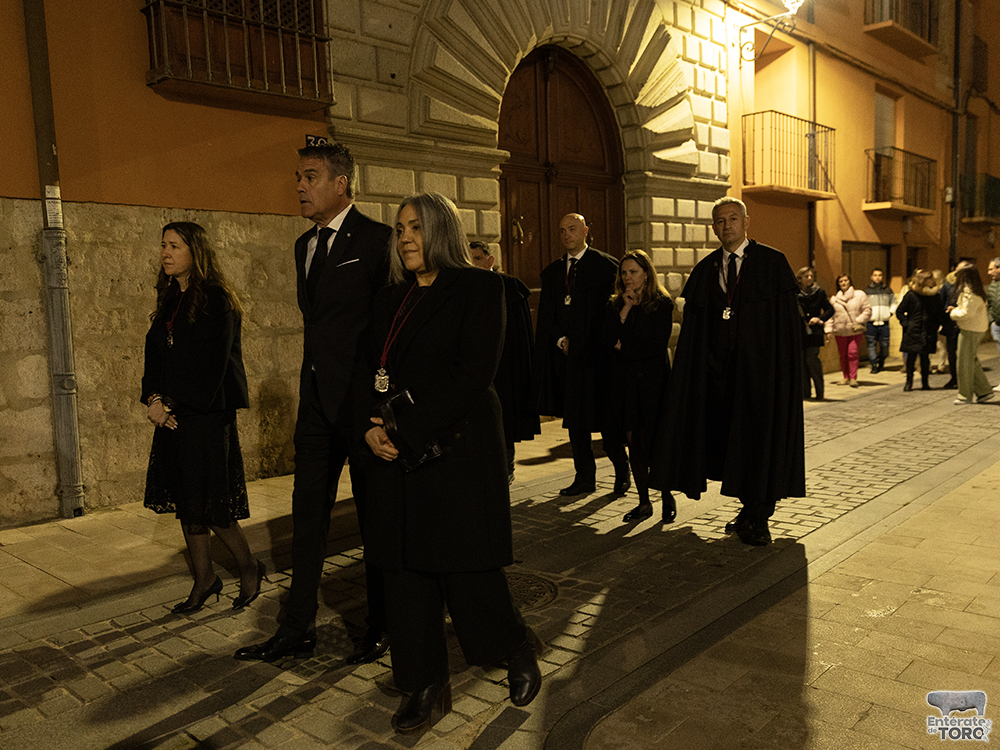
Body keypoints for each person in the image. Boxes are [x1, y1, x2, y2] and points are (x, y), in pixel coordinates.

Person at [362, 193, 540, 734]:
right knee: (405, 572)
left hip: (459, 450)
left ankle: (514, 647)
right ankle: (422, 682)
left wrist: (402, 428)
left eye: (416, 227)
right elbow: (371, 373)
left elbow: (473, 375)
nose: (405, 238)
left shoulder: (480, 288)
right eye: (400, 229)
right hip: (398, 455)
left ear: (442, 230)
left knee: (468, 570)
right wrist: (369, 428)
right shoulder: (391, 298)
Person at [235, 143, 392, 664]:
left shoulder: (378, 241)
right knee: (307, 519)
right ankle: (296, 627)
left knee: (374, 521)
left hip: (363, 408)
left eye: (310, 176)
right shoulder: (303, 244)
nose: (300, 186)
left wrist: (379, 406)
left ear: (341, 183)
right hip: (316, 408)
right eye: (298, 177)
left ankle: (381, 624)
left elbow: (386, 332)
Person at [649, 197, 805, 546]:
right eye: (720, 221)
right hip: (719, 378)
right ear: (713, 227)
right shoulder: (706, 270)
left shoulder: (772, 263)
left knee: (760, 442)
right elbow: (694, 332)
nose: (727, 226)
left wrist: (782, 375)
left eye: (733, 219)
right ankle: (747, 510)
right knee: (732, 445)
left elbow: (786, 328)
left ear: (746, 222)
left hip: (761, 377)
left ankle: (759, 517)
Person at [142, 222, 263, 613]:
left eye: (174, 246)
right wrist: (154, 399)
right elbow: (155, 356)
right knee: (186, 500)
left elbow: (211, 366)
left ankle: (248, 567)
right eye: (163, 245)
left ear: (196, 252)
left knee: (211, 503)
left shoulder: (216, 298)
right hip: (172, 416)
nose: (166, 253)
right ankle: (205, 579)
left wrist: (170, 404)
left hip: (206, 415)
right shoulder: (169, 299)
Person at [533, 213, 629, 496]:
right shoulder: (554, 273)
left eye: (572, 229)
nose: (567, 235)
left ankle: (622, 471)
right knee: (576, 423)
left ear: (586, 231)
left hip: (599, 361)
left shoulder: (606, 266)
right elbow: (547, 316)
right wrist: (561, 340)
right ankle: (584, 478)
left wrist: (591, 342)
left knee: (607, 423)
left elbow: (613, 312)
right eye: (562, 230)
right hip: (569, 362)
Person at [600, 250, 676, 523]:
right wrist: (625, 309)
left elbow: (656, 345)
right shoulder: (615, 304)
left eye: (633, 272)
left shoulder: (662, 303)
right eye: (624, 272)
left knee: (655, 440)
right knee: (634, 441)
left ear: (646, 274)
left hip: (654, 382)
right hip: (626, 383)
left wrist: (624, 347)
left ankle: (666, 495)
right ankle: (644, 502)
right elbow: (607, 340)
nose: (628, 277)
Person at [469, 241, 540, 481]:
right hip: (475, 368)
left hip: (506, 367)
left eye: (477, 258)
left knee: (506, 418)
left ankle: (506, 468)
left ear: (490, 261)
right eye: (469, 259)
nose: (473, 264)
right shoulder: (464, 288)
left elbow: (519, 336)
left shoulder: (509, 288)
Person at [948, 266, 995, 405]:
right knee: (971, 361)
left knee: (964, 364)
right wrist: (957, 309)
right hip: (974, 328)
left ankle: (965, 395)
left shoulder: (970, 293)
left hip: (970, 329)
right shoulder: (975, 291)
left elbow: (966, 313)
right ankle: (984, 391)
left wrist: (953, 313)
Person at [895, 269, 944, 392]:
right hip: (913, 331)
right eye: (930, 279)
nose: (933, 281)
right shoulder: (911, 295)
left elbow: (939, 313)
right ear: (923, 281)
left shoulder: (935, 296)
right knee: (911, 358)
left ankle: (925, 383)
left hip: (928, 331)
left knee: (925, 358)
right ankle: (909, 382)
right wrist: (906, 324)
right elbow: (900, 311)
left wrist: (936, 325)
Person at [824, 274, 871, 388]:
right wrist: (828, 330)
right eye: (841, 281)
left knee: (852, 353)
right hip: (840, 331)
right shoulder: (834, 299)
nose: (843, 283)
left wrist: (859, 320)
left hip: (855, 330)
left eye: (845, 280)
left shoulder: (859, 295)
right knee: (843, 355)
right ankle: (846, 377)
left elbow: (867, 310)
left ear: (850, 281)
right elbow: (830, 316)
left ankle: (853, 378)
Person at [796, 267, 834, 400]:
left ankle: (820, 392)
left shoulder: (819, 293)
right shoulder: (794, 294)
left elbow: (830, 310)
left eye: (811, 276)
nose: (809, 279)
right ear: (799, 278)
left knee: (811, 360)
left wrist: (819, 319)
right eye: (806, 276)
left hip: (814, 333)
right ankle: (805, 392)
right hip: (799, 333)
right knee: (801, 363)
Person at [938, 259, 975, 388]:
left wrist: (958, 309)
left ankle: (966, 379)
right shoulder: (948, 285)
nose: (958, 272)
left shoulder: (972, 285)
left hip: (967, 324)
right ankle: (954, 378)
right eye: (958, 269)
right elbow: (941, 302)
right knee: (951, 353)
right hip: (951, 324)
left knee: (966, 354)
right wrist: (946, 311)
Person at [863, 268, 896, 373]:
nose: (878, 277)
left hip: (884, 323)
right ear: (871, 277)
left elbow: (894, 302)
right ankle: (874, 364)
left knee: (885, 345)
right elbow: (862, 305)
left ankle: (881, 361)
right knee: (871, 345)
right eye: (875, 275)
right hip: (871, 323)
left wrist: (890, 313)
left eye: (880, 275)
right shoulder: (866, 292)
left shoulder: (888, 290)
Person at [987, 257, 1000, 371]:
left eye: (991, 269)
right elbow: (989, 304)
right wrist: (992, 321)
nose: (989, 272)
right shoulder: (992, 285)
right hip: (997, 325)